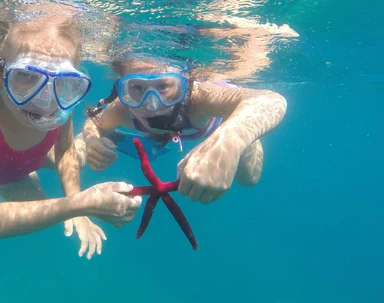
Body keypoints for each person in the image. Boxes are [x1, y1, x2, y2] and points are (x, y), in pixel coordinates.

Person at [0, 11, 141, 259]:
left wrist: (78, 206)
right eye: (26, 76)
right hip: (9, 176)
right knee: (42, 210)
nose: (43, 100)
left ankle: (92, 138)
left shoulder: (61, 103)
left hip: (41, 154)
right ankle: (90, 142)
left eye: (63, 81)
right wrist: (80, 205)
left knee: (78, 156)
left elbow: (64, 151)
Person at [79, 55, 288, 204]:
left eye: (163, 87)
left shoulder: (200, 98)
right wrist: (91, 140)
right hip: (174, 135)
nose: (151, 105)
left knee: (249, 178)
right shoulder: (122, 109)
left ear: (185, 85)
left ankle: (240, 119)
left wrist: (229, 142)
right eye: (137, 88)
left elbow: (271, 100)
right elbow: (94, 122)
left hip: (227, 119)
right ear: (121, 89)